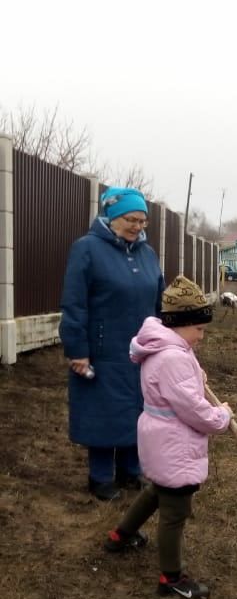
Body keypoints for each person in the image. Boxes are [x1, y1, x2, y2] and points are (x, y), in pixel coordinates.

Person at [104, 276, 232, 599]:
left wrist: (196, 377)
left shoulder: (167, 347)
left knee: (157, 491)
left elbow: (177, 383)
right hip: (175, 440)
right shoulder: (173, 356)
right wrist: (221, 417)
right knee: (175, 511)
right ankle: (171, 577)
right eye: (199, 329)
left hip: (160, 436)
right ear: (179, 324)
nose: (202, 335)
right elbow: (191, 407)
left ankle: (120, 535)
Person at [60, 187, 164, 501]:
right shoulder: (87, 249)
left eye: (142, 221)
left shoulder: (147, 254)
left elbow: (159, 301)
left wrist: (166, 340)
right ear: (112, 217)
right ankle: (101, 477)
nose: (137, 227)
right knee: (103, 412)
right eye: (130, 219)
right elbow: (74, 303)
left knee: (139, 409)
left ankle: (130, 471)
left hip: (141, 351)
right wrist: (77, 349)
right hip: (103, 349)